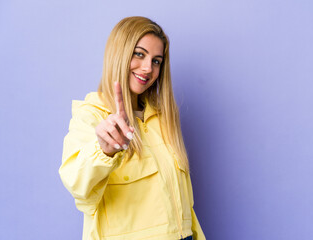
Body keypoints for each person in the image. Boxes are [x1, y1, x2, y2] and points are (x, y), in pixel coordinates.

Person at [59, 16, 205, 240]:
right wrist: (105, 151)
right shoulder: (92, 116)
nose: (148, 68)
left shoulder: (162, 119)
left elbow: (184, 207)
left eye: (157, 61)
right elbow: (78, 186)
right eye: (139, 54)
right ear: (120, 53)